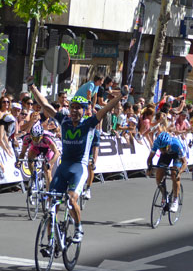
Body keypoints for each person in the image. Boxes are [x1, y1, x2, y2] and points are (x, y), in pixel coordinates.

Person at [28, 76, 127, 243]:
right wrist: (32, 87)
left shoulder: (88, 123)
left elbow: (106, 109)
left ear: (84, 109)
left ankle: (79, 227)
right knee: (52, 203)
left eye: (78, 108)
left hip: (78, 168)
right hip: (63, 167)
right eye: (72, 107)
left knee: (72, 199)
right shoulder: (64, 121)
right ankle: (51, 241)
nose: (74, 110)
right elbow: (45, 105)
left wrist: (120, 96)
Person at [146, 132, 187, 213]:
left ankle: (175, 200)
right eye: (160, 149)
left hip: (176, 155)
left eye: (164, 148)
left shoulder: (176, 144)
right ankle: (165, 195)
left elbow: (185, 163)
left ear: (168, 144)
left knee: (174, 175)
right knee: (159, 175)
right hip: (166, 156)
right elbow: (149, 158)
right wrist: (149, 168)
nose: (162, 150)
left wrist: (180, 172)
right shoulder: (157, 143)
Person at [16, 123, 60, 191]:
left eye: (37, 138)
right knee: (30, 158)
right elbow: (22, 153)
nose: (35, 140)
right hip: (36, 148)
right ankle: (33, 176)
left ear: (41, 136)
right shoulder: (26, 138)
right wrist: (19, 161)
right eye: (33, 138)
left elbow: (57, 153)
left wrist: (50, 163)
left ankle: (48, 192)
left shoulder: (47, 138)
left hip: (48, 148)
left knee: (47, 171)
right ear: (30, 136)